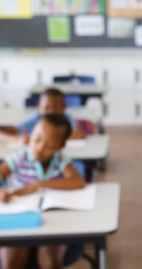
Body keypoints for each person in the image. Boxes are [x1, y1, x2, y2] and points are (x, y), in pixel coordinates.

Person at [0, 113, 86, 269]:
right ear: (30, 135)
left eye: (49, 145)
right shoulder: (20, 158)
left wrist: (38, 184)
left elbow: (78, 181)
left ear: (60, 146)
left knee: (50, 262)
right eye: (37, 139)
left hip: (53, 224)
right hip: (20, 221)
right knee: (11, 263)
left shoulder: (60, 160)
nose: (40, 148)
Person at [0, 88, 85, 144]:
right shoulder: (36, 118)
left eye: (55, 108)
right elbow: (3, 134)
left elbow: (79, 134)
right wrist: (17, 139)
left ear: (64, 107)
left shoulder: (66, 118)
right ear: (39, 106)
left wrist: (41, 141)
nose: (50, 112)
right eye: (46, 108)